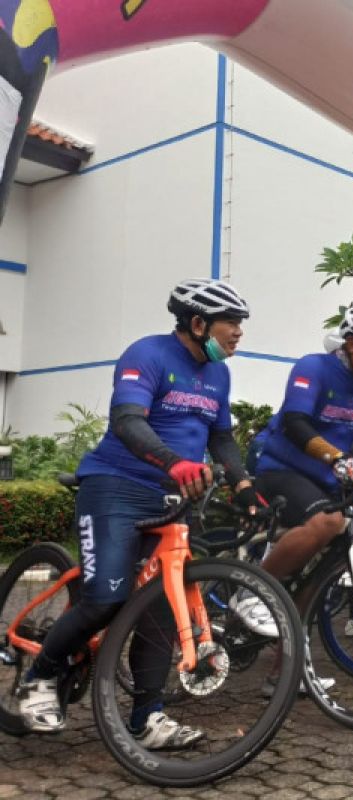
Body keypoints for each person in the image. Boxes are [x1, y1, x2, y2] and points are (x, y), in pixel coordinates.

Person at [17, 278, 255, 748]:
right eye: (232, 323)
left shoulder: (219, 375)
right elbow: (127, 422)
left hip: (171, 500)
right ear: (198, 322)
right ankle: (39, 676)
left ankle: (148, 718)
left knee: (161, 606)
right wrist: (175, 463)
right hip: (115, 489)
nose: (238, 333)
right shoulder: (146, 354)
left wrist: (245, 485)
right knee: (105, 597)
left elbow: (221, 438)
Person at [254, 304, 353, 600]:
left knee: (336, 554)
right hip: (282, 468)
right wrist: (338, 458)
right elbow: (295, 423)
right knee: (329, 522)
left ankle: (295, 633)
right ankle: (253, 591)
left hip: (327, 476)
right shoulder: (313, 367)